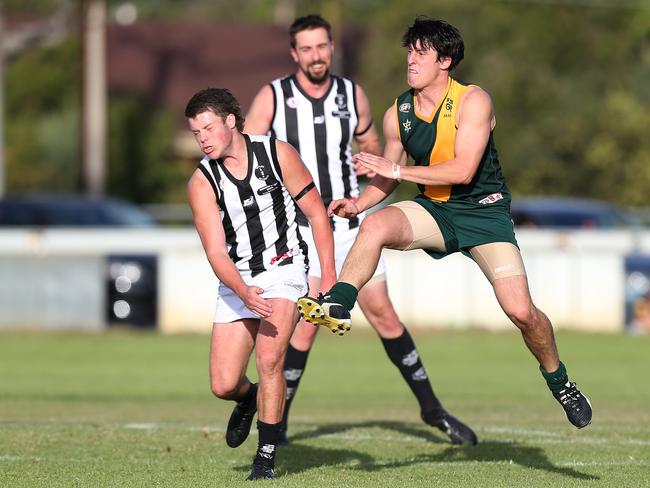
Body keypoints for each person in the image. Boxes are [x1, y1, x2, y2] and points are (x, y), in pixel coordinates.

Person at [298, 18, 593, 430]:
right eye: (410, 51)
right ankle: (339, 303)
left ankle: (559, 381)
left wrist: (396, 173)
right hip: (436, 210)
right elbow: (387, 173)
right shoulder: (398, 112)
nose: (411, 59)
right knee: (374, 225)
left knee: (521, 311)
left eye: (421, 52)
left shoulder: (473, 101)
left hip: (484, 213)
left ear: (446, 61)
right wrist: (358, 201)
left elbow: (462, 170)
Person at [245, 14, 477, 446]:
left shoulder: (352, 95)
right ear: (294, 53)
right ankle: (275, 425)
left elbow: (372, 144)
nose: (316, 55)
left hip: (349, 220)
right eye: (307, 48)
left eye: (322, 47)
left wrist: (367, 158)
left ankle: (432, 409)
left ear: (331, 48)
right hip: (301, 228)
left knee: (385, 315)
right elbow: (244, 155)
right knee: (308, 324)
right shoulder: (273, 97)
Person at [185, 88, 336, 480]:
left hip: (285, 270)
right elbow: (217, 253)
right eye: (195, 132)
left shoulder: (276, 153)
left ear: (230, 121)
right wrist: (241, 289)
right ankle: (250, 398)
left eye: (207, 127)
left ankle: (265, 457)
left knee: (270, 360)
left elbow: (317, 214)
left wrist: (330, 275)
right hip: (238, 279)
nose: (202, 138)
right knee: (222, 384)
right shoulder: (201, 182)